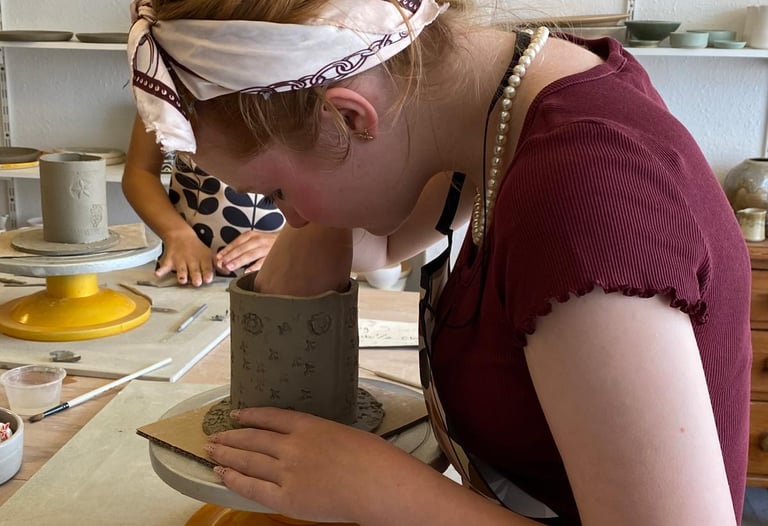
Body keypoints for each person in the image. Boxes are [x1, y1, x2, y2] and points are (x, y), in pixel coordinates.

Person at [127, 1, 751, 525]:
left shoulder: (584, 198)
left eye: (277, 193)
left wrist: (378, 490)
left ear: (351, 117)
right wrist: (313, 144)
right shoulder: (502, 97)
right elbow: (376, 245)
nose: (293, 220)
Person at [122, 114, 285, 286]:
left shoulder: (301, 99)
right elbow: (141, 172)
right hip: (188, 270)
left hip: (285, 268)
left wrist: (288, 243)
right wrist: (178, 235)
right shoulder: (166, 97)